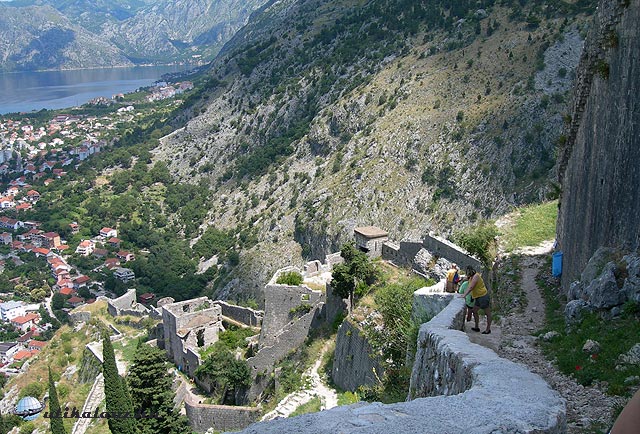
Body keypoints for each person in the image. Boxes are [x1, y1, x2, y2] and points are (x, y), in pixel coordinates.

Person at [459, 265, 492, 334]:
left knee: (487, 313)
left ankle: (488, 329)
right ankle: (476, 327)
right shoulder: (471, 277)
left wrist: (464, 295)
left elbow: (471, 287)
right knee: (474, 311)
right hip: (477, 297)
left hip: (483, 296)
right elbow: (469, 285)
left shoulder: (476, 276)